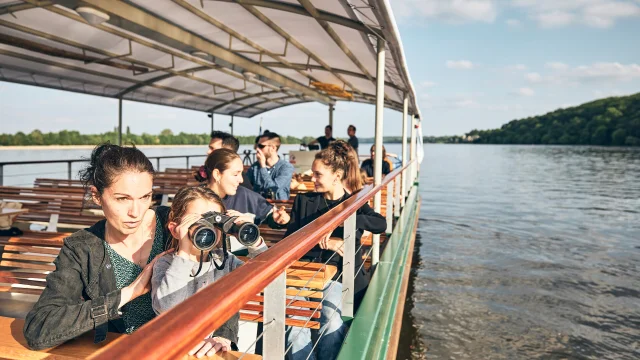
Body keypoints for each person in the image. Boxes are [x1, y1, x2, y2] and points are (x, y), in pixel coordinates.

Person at [23, 143, 172, 350]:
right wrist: (128, 293)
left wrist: (223, 336)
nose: (136, 212)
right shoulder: (82, 248)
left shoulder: (172, 226)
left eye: (145, 197)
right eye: (122, 199)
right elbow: (39, 329)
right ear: (96, 196)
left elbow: (220, 271)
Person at [283, 141, 386, 360]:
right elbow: (289, 240)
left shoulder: (353, 202)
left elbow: (381, 224)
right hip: (306, 273)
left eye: (318, 174)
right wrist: (323, 240)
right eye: (312, 173)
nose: (312, 179)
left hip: (338, 276)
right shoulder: (304, 201)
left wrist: (343, 220)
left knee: (331, 320)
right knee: (295, 328)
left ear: (337, 175)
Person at [151, 186, 267, 358]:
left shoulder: (224, 261)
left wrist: (251, 238)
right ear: (175, 229)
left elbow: (265, 274)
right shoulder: (166, 263)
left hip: (207, 352)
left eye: (215, 224)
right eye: (198, 224)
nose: (209, 230)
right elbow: (166, 307)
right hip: (171, 351)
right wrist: (184, 251)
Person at [195, 148, 289, 228]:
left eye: (241, 173)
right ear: (217, 174)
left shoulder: (243, 194)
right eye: (235, 174)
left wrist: (276, 218)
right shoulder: (195, 199)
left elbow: (267, 213)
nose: (241, 180)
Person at [247, 132, 294, 200]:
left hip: (279, 207)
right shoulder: (254, 167)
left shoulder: (286, 167)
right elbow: (244, 185)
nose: (257, 149)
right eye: (257, 145)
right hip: (258, 207)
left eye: (261, 146)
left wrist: (263, 167)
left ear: (273, 148)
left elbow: (273, 188)